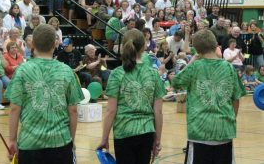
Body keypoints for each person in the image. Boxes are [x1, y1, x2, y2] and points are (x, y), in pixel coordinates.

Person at [5, 24, 84, 163]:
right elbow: (73, 110)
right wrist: (71, 140)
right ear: (55, 44)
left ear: (33, 44)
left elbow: (14, 108)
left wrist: (12, 140)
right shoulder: (67, 71)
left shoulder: (22, 70)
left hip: (30, 145)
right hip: (61, 143)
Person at [172, 29, 246, 164]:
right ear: (215, 44)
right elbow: (236, 99)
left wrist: (193, 60)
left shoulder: (195, 67)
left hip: (200, 132)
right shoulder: (229, 68)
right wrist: (230, 120)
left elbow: (176, 82)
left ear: (197, 49)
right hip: (224, 131)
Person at [97, 29, 165, 164]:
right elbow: (158, 111)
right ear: (144, 46)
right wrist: (157, 139)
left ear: (123, 46)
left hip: (123, 132)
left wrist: (104, 138)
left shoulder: (117, 74)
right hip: (146, 132)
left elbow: (111, 111)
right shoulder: (153, 74)